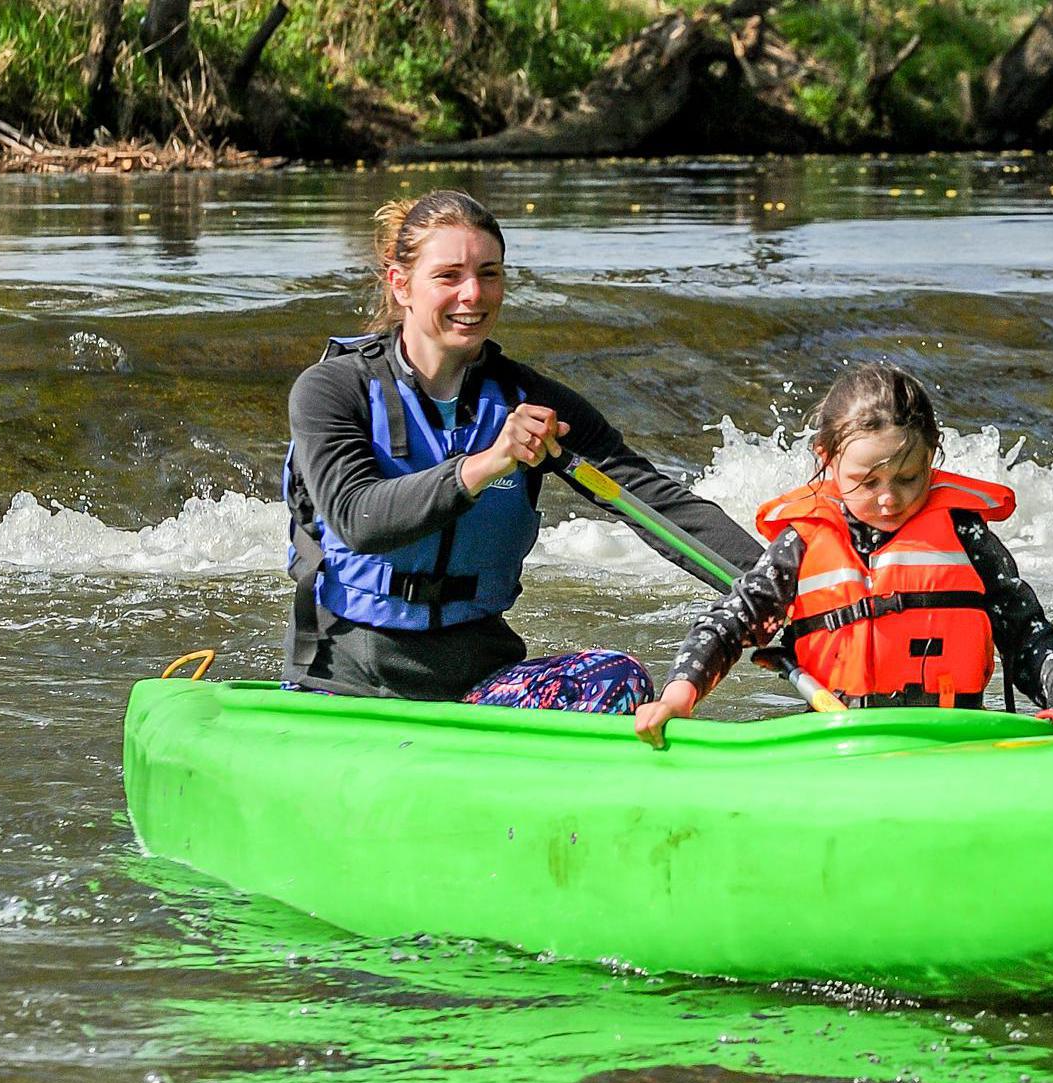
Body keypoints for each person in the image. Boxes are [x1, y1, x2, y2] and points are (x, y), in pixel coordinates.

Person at [281, 190, 759, 708]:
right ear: (401, 284)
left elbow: (659, 506)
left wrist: (785, 594)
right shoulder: (331, 390)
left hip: (476, 689)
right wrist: (488, 463)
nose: (473, 294)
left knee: (616, 679)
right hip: (343, 686)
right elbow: (359, 519)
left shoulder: (532, 402)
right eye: (448, 276)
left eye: (489, 274)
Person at [634, 363, 1053, 746]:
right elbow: (731, 623)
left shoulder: (964, 533)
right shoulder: (803, 542)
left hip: (952, 743)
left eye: (909, 478)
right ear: (827, 458)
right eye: (866, 482)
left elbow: (1026, 631)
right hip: (841, 744)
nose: (889, 499)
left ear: (931, 456)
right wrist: (678, 696)